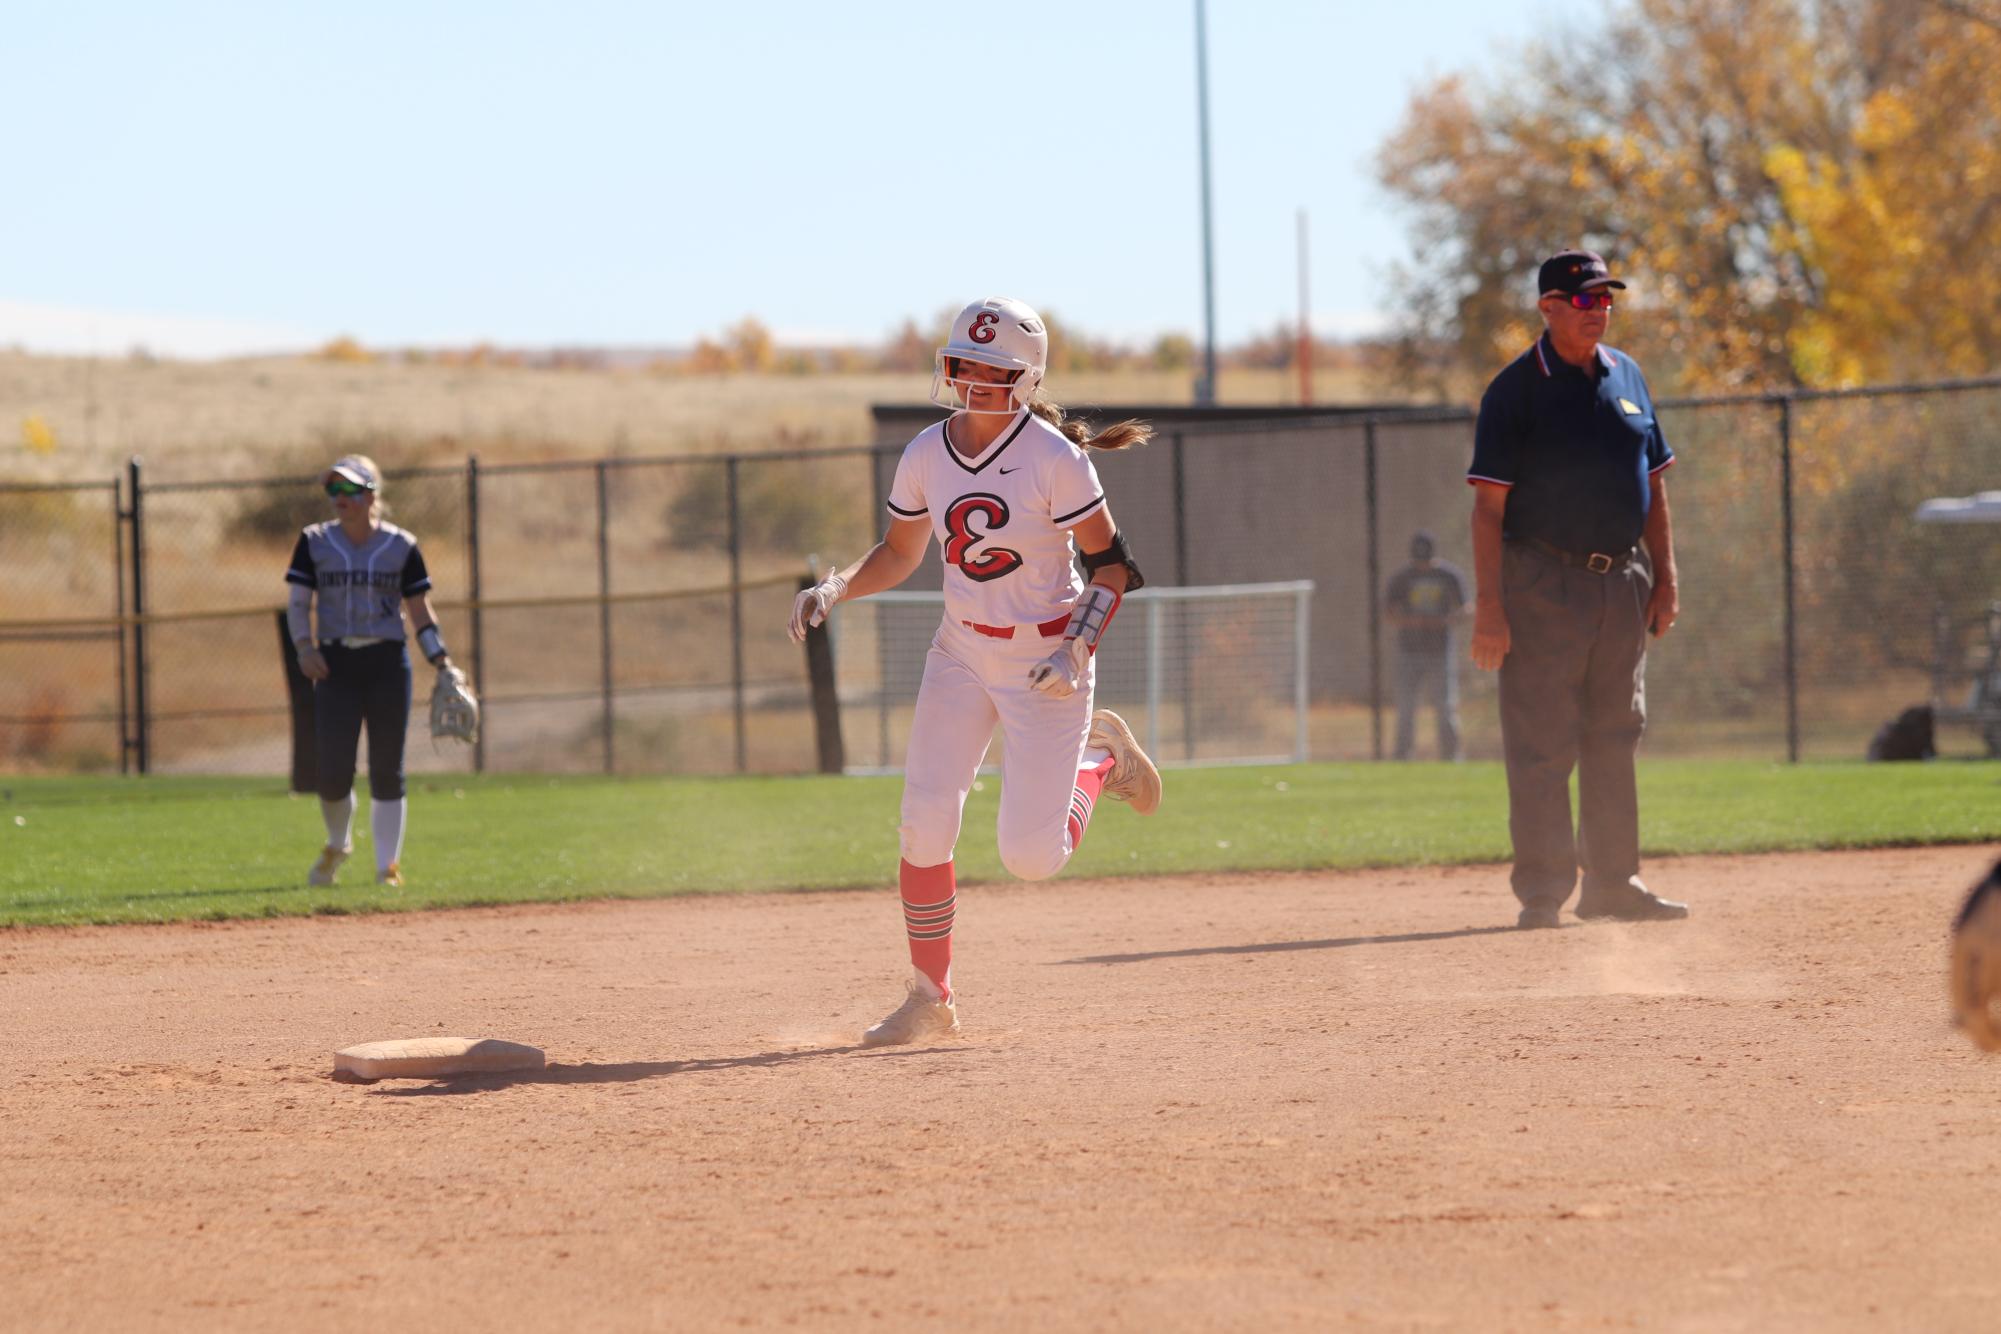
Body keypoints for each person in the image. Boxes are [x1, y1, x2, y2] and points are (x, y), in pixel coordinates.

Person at [789, 297, 1162, 1047]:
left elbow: (1114, 569)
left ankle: (1101, 759)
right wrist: (835, 587)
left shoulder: (1056, 458)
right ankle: (932, 998)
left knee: (1031, 857)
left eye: (992, 369)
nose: (972, 379)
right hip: (960, 650)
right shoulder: (928, 448)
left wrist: (1075, 650)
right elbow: (899, 552)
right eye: (963, 364)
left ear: (1025, 380)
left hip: (1044, 660)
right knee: (922, 823)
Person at [1466, 250, 1688, 929]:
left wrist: (1665, 576)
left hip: (1621, 582)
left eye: (1604, 300)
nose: (1597, 311)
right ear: (1549, 307)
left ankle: (1613, 883)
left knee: (1615, 734)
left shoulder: (1627, 376)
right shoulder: (1515, 390)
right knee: (1541, 742)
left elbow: (1652, 485)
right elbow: (1486, 510)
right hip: (1540, 581)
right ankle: (1542, 891)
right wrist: (1490, 609)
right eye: (1583, 300)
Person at [285, 455, 460, 889]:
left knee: (388, 768)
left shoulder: (400, 546)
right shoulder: (314, 542)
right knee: (331, 771)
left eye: (348, 490)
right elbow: (296, 603)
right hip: (335, 662)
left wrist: (442, 661)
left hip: (386, 662)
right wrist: (304, 648)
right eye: (334, 490)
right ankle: (338, 842)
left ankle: (388, 868)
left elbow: (419, 610)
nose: (339, 499)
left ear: (370, 495)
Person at [1384, 530, 1468, 761]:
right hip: (1408, 651)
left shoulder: (1449, 576)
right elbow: (1389, 613)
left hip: (1440, 651)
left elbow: (1465, 608)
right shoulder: (1401, 577)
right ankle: (1403, 755)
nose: (1422, 566)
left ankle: (1451, 756)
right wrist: (1413, 622)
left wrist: (1445, 621)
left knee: (1445, 706)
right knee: (1406, 707)